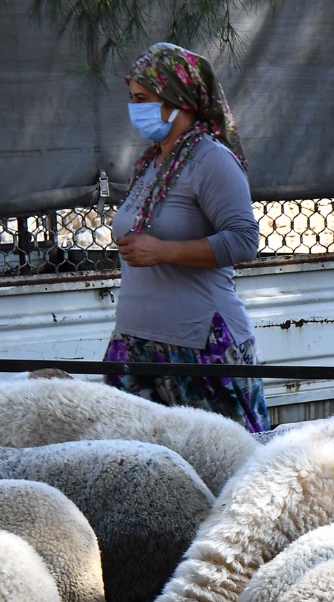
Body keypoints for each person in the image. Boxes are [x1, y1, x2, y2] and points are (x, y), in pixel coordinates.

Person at [104, 42, 269, 433]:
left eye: (143, 99)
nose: (134, 108)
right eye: (132, 98)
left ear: (177, 99)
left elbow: (244, 240)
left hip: (201, 346)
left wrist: (165, 251)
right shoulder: (151, 162)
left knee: (229, 460)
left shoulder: (211, 159)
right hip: (135, 344)